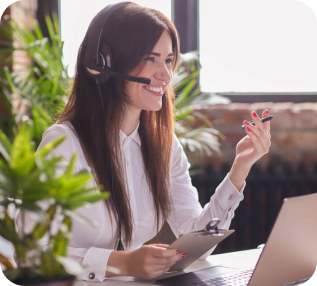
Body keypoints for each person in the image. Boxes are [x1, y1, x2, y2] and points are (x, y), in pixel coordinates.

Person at [17, 2, 271, 282]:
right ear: (104, 64)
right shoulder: (64, 142)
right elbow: (30, 254)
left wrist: (240, 169)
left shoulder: (164, 144)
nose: (165, 75)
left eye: (168, 60)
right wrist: (119, 264)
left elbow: (197, 243)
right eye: (151, 58)